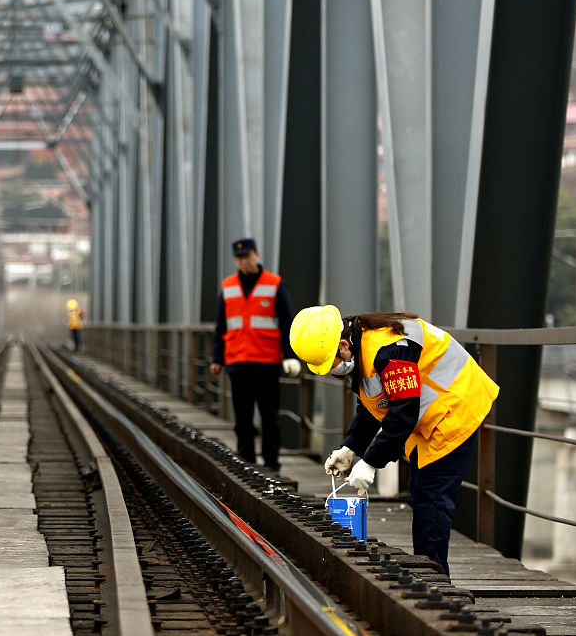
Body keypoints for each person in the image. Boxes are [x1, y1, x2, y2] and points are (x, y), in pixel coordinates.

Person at [290, 305, 499, 577]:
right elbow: (374, 403)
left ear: (343, 345)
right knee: (421, 492)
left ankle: (435, 580)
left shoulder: (389, 351)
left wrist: (371, 462)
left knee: (431, 499)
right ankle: (429, 573)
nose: (332, 372)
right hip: (431, 413)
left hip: (455, 407)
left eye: (331, 364)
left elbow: (404, 413)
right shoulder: (362, 343)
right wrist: (351, 447)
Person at [208, 237, 301, 472]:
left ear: (257, 255)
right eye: (239, 257)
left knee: (269, 416)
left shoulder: (275, 283)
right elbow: (221, 325)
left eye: (248, 256)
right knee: (242, 417)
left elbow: (286, 322)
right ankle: (246, 461)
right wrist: (217, 358)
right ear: (235, 260)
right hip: (237, 361)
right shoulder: (228, 286)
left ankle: (272, 464)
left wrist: (289, 355)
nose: (244, 261)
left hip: (267, 361)